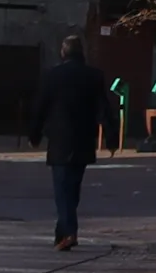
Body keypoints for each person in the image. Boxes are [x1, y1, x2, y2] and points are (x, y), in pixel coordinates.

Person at [28, 33, 104, 250]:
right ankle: (63, 234)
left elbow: (40, 107)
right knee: (72, 188)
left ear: (63, 52)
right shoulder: (94, 75)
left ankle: (68, 232)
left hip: (60, 141)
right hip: (83, 140)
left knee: (62, 189)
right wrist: (111, 133)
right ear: (82, 53)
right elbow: (103, 107)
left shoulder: (53, 76)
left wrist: (34, 135)